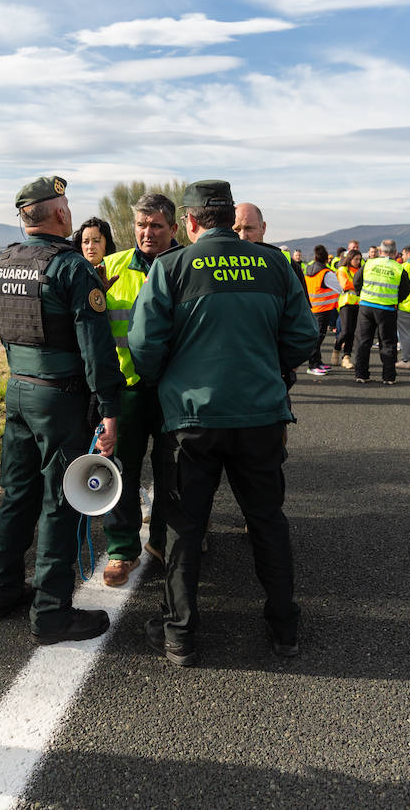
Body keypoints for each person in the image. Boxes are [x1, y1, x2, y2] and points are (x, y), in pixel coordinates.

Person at [127, 180, 319, 665]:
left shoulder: (172, 267)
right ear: (231, 217)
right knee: (267, 521)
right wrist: (271, 368)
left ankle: (180, 634)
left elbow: (145, 345)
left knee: (184, 527)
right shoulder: (274, 264)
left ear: (188, 222)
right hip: (260, 415)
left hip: (192, 420)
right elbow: (303, 336)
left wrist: (168, 378)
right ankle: (284, 628)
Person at [0, 175, 124, 643]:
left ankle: (2, 591)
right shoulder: (71, 268)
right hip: (59, 397)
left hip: (19, 390)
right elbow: (95, 348)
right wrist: (109, 408)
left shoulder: (4, 262)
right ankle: (51, 613)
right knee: (60, 502)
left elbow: (3, 329)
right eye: (66, 205)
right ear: (60, 213)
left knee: (17, 494)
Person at [99, 193, 180, 587]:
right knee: (121, 471)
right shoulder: (109, 267)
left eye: (157, 226)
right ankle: (121, 549)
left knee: (173, 471)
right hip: (125, 390)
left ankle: (165, 542)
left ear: (174, 229)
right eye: (141, 225)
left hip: (172, 389)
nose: (147, 233)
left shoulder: (187, 268)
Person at [353, 239, 410, 384]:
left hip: (366, 306)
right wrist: (395, 300)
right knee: (387, 342)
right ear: (395, 252)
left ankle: (361, 374)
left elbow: (356, 281)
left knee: (363, 341)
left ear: (380, 251)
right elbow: (406, 289)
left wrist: (362, 294)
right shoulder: (398, 268)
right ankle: (388, 376)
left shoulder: (369, 264)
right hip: (387, 308)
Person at [304, 244, 343, 375]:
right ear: (326, 259)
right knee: (318, 338)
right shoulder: (325, 273)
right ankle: (313, 365)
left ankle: (318, 362)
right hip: (323, 309)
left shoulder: (308, 269)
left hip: (312, 308)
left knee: (317, 337)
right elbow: (340, 288)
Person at [335, 249, 362, 368]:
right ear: (350, 259)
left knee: (352, 332)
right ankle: (336, 349)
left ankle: (346, 357)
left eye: (359, 259)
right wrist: (359, 285)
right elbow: (345, 285)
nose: (358, 261)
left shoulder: (361, 270)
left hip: (358, 304)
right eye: (356, 259)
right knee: (345, 331)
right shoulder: (342, 270)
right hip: (345, 303)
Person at [72, 216, 117, 282]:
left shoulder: (118, 271)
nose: (90, 247)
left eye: (96, 241)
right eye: (86, 242)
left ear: (107, 244)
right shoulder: (73, 276)